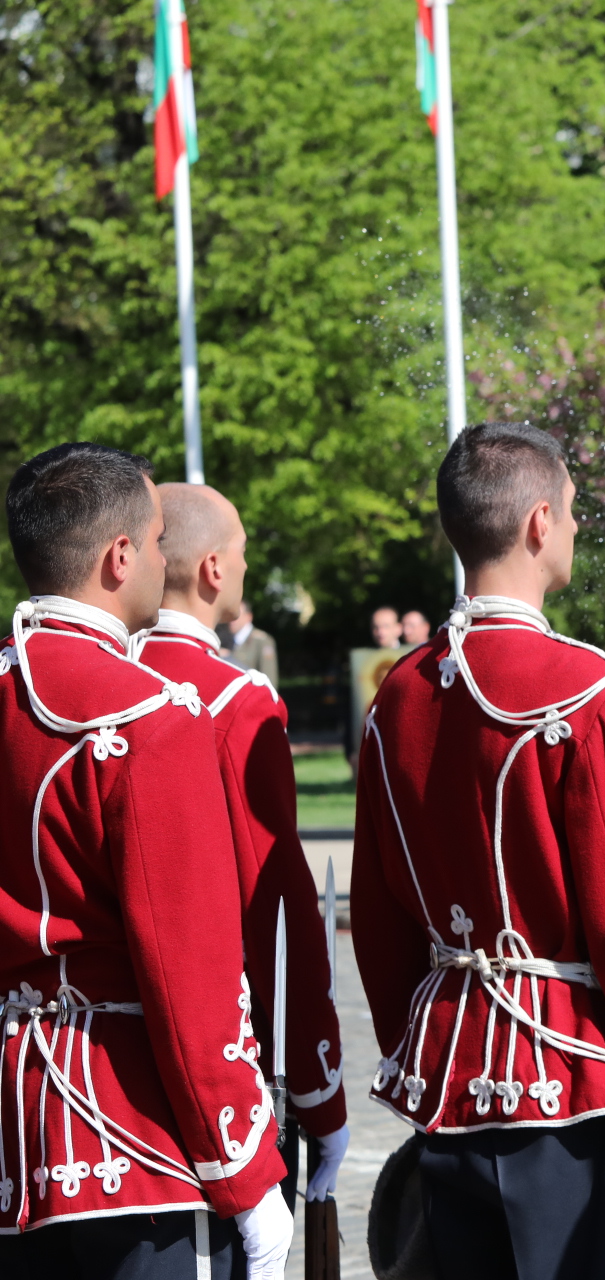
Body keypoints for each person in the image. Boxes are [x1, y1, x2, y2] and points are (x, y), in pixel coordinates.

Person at [352, 422, 605, 1277]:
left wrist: (427, 1040)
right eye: (575, 512)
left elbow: (378, 915)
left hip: (449, 1070)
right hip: (572, 1081)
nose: (579, 529)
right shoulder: (592, 689)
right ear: (541, 522)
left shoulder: (399, 692)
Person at [0, 444, 293, 1276]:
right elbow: (190, 974)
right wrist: (244, 1174)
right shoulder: (154, 715)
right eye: (158, 539)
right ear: (118, 557)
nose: (166, 560)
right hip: (136, 1137)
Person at [134, 483, 352, 1211]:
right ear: (214, 571)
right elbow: (275, 913)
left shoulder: (90, 684)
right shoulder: (235, 700)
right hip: (221, 1063)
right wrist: (319, 1090)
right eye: (244, 556)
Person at [226, 597, 279, 684]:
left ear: (249, 617)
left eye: (237, 615)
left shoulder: (262, 641)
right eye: (230, 615)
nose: (232, 620)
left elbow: (269, 680)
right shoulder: (226, 639)